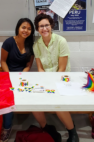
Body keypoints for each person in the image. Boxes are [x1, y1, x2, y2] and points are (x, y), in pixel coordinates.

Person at [32, 14, 79, 142]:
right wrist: (46, 82)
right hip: (46, 80)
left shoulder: (61, 41)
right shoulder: (36, 45)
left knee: (58, 104)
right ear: (37, 29)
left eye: (47, 25)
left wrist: (53, 84)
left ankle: (72, 132)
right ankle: (47, 129)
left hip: (62, 78)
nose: (44, 28)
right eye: (41, 26)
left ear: (51, 26)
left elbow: (62, 69)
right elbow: (40, 68)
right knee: (32, 102)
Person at [0, 18, 35, 142]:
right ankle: (7, 127)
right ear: (18, 28)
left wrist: (21, 76)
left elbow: (28, 65)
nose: (26, 30)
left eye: (29, 28)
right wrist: (10, 76)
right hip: (7, 74)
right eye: (23, 27)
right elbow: (3, 61)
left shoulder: (31, 45)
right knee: (8, 99)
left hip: (23, 75)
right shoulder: (9, 42)